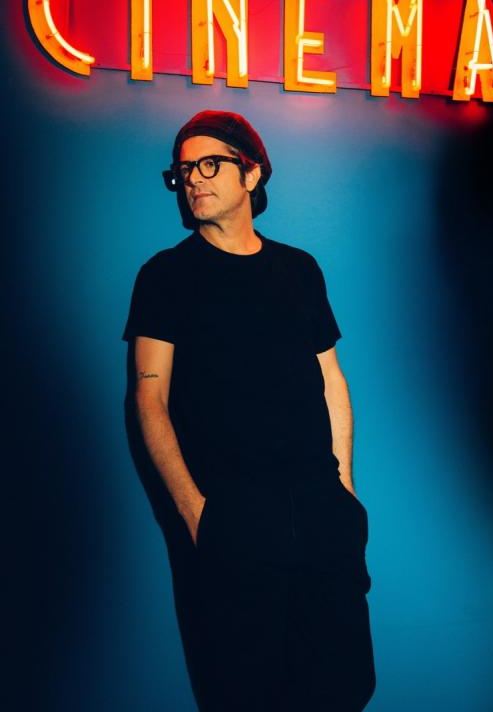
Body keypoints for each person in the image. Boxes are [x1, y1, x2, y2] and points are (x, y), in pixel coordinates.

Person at [121, 109, 376, 711]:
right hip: (233, 517)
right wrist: (197, 514)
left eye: (210, 164)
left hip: (321, 512)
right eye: (184, 170)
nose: (193, 179)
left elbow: (331, 380)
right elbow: (148, 399)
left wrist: (344, 491)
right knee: (244, 692)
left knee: (344, 686)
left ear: (252, 173)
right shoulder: (165, 276)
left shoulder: (299, 269)